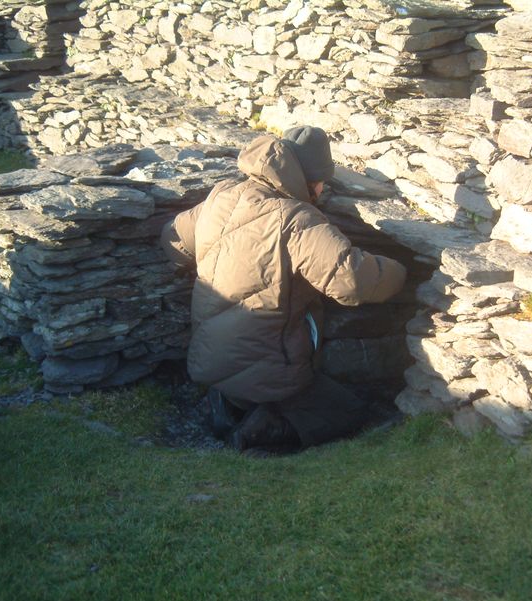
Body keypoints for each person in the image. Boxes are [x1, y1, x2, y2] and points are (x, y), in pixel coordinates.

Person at [161, 126, 406, 453]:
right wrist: (404, 271)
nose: (323, 189)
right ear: (308, 178)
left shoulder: (223, 195)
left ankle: (227, 407)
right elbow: (353, 280)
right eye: (322, 181)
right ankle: (261, 431)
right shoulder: (296, 219)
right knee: (348, 410)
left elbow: (172, 238)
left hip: (209, 360)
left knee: (252, 373)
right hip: (272, 374)